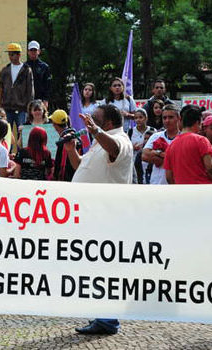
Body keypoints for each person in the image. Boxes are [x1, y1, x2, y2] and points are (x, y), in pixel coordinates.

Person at [64, 105, 133, 336]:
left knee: (106, 268)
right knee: (96, 267)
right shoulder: (99, 140)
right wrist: (71, 148)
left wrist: (95, 131)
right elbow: (80, 165)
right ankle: (103, 316)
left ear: (109, 123)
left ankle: (108, 319)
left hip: (107, 217)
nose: (89, 121)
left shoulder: (120, 139)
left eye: (95, 119)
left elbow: (114, 149)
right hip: (90, 216)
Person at [164, 105, 212, 184]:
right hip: (203, 190)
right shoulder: (201, 140)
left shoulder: (171, 145)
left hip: (182, 192)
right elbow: (209, 167)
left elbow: (169, 176)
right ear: (198, 122)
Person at [142, 104, 181, 185]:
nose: (167, 120)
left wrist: (156, 154)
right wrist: (163, 155)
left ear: (178, 118)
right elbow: (144, 155)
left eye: (171, 117)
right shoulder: (156, 136)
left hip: (177, 185)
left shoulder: (184, 137)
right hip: (157, 184)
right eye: (164, 118)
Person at [0, 43, 34, 129]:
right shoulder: (5, 70)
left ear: (19, 55)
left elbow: (30, 89)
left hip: (21, 108)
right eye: (9, 55)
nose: (10, 57)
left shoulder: (26, 70)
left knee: (21, 131)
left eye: (12, 54)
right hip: (7, 107)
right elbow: (1, 88)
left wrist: (29, 107)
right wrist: (0, 104)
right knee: (6, 131)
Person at [49, 109, 80, 182]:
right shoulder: (75, 136)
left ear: (55, 125)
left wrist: (55, 177)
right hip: (77, 177)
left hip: (67, 180)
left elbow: (59, 163)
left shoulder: (64, 141)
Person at [25, 41, 51, 109]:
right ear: (28, 52)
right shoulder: (24, 66)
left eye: (35, 50)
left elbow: (47, 85)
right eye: (31, 50)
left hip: (40, 99)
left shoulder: (44, 67)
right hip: (26, 100)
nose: (33, 52)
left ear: (39, 51)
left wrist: (46, 100)